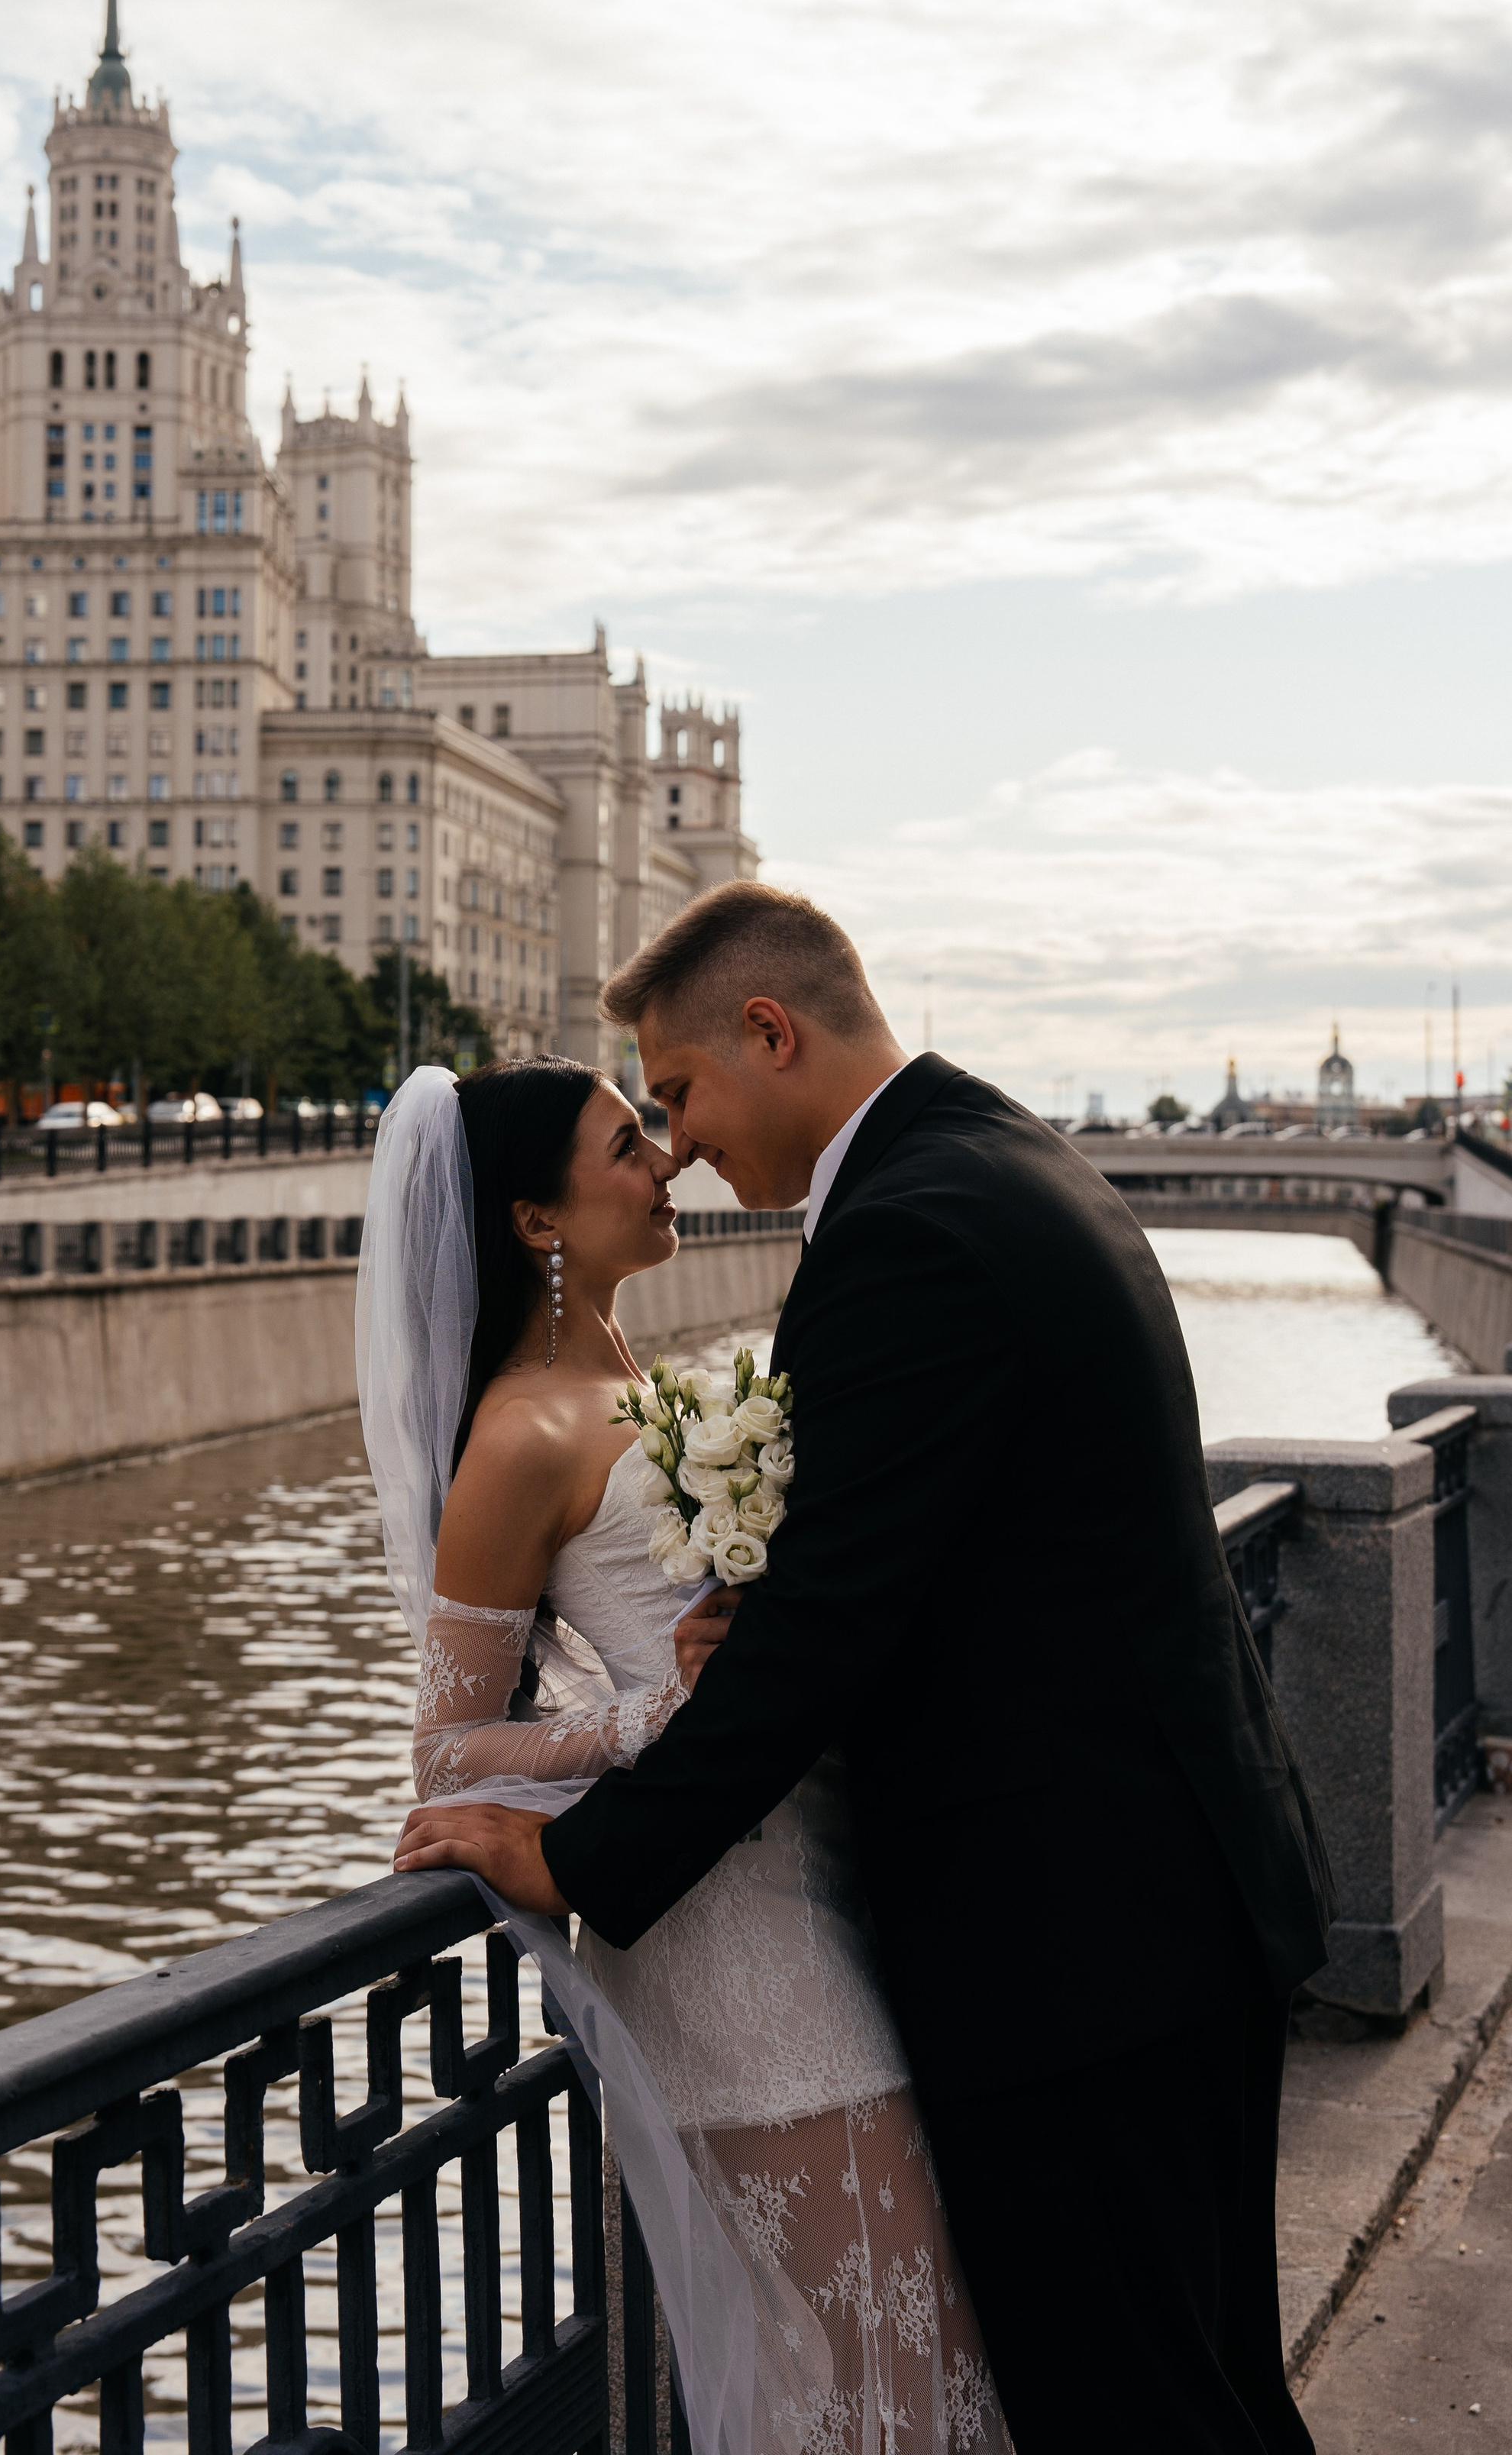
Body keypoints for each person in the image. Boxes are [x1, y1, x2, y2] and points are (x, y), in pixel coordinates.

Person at [395, 882, 1337, 2455]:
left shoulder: (910, 1231)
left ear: (770, 1032)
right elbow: (906, 1567)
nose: (678, 1145)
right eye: (643, 1122)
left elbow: (828, 1633)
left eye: (678, 1094)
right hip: (1153, 1910)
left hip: (1073, 1951)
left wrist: (582, 1861)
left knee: (1138, 2412)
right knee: (1205, 2395)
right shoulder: (998, 1158)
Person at [360, 1053, 1011, 2453]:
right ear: (536, 1219)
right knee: (881, 2349)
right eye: (625, 1146)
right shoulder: (519, 1435)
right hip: (721, 1938)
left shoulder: (638, 1384)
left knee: (907, 2347)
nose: (667, 1163)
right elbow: (448, 1751)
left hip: (812, 1877)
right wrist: (648, 1721)